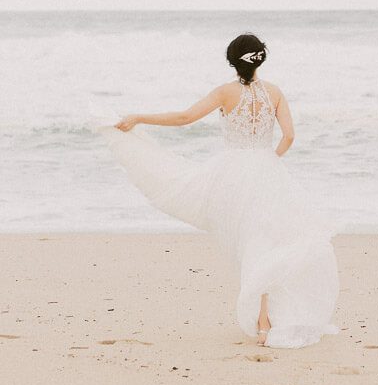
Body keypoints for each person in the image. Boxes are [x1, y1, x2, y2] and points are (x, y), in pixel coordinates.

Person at [96, 32, 339, 348]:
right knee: (266, 241)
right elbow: (289, 137)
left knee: (251, 243)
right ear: (260, 58)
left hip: (233, 176)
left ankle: (263, 321)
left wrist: (140, 117)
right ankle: (265, 320)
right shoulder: (276, 93)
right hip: (268, 173)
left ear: (232, 60)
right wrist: (268, 161)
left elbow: (185, 117)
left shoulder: (225, 93)